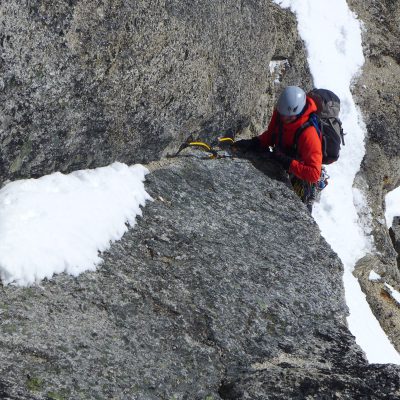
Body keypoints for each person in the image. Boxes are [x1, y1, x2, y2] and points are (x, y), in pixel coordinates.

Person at [234, 86, 323, 212]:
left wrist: (287, 162)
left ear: (298, 113)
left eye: (289, 117)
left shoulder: (309, 135)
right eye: (283, 115)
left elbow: (313, 174)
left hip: (299, 175)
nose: (284, 119)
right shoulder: (281, 113)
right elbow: (272, 135)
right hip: (282, 159)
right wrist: (255, 142)